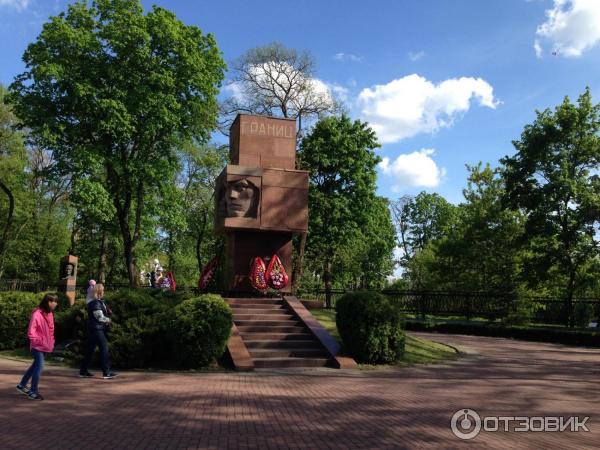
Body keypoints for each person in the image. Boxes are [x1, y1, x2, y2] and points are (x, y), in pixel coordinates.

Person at [16, 293, 59, 401]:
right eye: (54, 301)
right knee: (38, 368)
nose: (56, 304)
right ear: (49, 302)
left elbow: (51, 330)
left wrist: (51, 341)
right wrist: (39, 341)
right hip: (37, 347)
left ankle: (21, 385)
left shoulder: (50, 314)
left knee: (34, 367)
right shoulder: (37, 314)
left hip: (46, 346)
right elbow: (31, 332)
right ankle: (33, 392)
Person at [79, 284, 118, 379]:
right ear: (99, 291)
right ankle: (106, 372)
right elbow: (99, 317)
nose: (104, 291)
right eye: (103, 290)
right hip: (97, 329)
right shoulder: (95, 303)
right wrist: (108, 320)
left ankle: (83, 371)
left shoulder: (98, 302)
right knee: (104, 349)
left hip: (94, 329)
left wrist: (107, 312)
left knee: (90, 350)